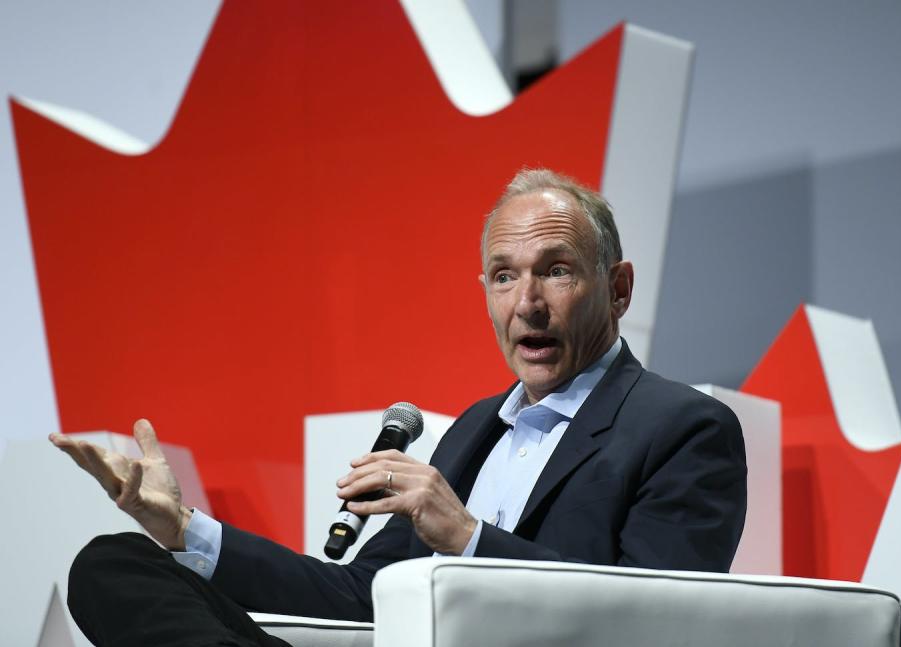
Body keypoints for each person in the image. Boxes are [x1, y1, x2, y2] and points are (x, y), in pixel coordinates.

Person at [52, 168, 747, 646]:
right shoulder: (477, 429)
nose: (527, 303)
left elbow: (654, 625)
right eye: (504, 276)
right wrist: (186, 528)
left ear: (618, 289)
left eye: (556, 270)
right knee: (114, 562)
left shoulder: (682, 429)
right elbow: (361, 596)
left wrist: (468, 539)